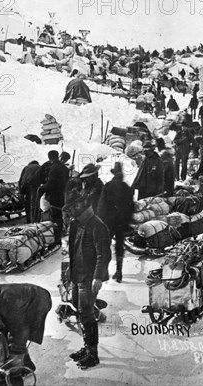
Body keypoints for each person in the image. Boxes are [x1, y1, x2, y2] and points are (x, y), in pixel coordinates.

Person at [64, 191, 111, 369]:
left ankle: (93, 354)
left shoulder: (98, 226)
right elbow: (74, 249)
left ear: (80, 206)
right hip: (77, 276)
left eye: (71, 208)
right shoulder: (77, 224)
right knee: (80, 312)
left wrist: (98, 277)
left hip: (89, 278)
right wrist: (70, 269)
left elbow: (103, 254)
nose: (70, 212)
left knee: (88, 315)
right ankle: (86, 347)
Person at [0, 283, 52, 371]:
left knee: (17, 341)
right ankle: (26, 365)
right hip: (21, 302)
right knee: (7, 331)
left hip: (38, 300)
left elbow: (19, 326)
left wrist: (15, 343)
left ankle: (17, 373)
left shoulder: (7, 301)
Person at [97, 162, 134, 283]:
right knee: (119, 246)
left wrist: (100, 220)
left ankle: (104, 271)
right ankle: (119, 272)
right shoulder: (126, 187)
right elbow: (131, 207)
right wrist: (127, 220)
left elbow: (102, 205)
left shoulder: (108, 185)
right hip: (121, 221)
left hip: (108, 221)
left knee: (105, 246)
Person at [40, 151, 70, 248]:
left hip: (54, 195)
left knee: (55, 217)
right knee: (59, 216)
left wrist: (43, 187)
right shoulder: (64, 168)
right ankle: (57, 239)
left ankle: (56, 240)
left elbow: (51, 183)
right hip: (62, 194)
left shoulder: (53, 168)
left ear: (49, 158)